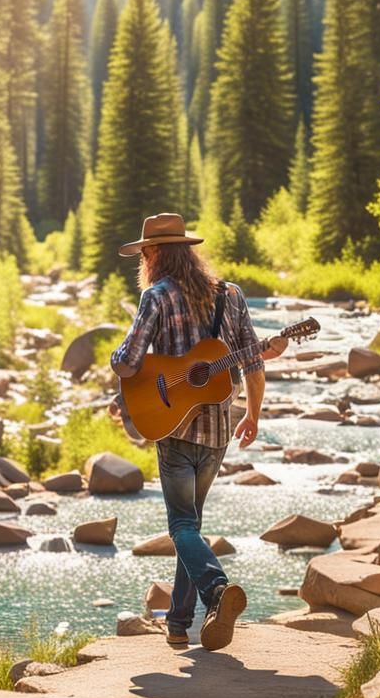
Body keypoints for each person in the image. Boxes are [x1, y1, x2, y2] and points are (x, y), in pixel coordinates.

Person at [109, 213, 285, 652]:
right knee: (193, 525)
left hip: (174, 429)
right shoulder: (232, 295)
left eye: (145, 252)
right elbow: (253, 364)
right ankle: (179, 623)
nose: (143, 259)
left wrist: (117, 364)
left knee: (182, 525)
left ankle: (217, 591)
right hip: (218, 431)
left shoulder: (156, 296)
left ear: (156, 253)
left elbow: (130, 360)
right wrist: (254, 415)